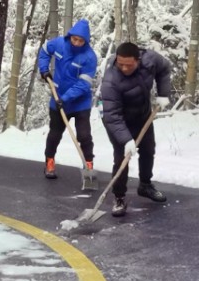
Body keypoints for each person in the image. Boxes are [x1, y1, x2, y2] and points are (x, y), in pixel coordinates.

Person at [100, 41, 172, 217]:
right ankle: (119, 197)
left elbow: (164, 69)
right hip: (118, 120)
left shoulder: (150, 60)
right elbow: (112, 116)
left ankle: (145, 185)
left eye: (129, 65)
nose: (124, 68)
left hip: (142, 115)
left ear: (138, 60)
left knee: (148, 150)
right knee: (122, 158)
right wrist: (126, 140)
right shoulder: (111, 80)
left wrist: (163, 94)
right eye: (120, 64)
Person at [37, 19, 97, 179]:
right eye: (74, 39)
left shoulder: (89, 57)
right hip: (57, 99)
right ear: (70, 36)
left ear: (86, 41)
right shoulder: (59, 44)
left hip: (79, 103)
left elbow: (84, 84)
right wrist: (44, 69)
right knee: (55, 133)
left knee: (84, 136)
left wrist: (66, 98)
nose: (76, 43)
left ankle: (89, 166)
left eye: (80, 40)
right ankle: (49, 162)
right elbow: (44, 51)